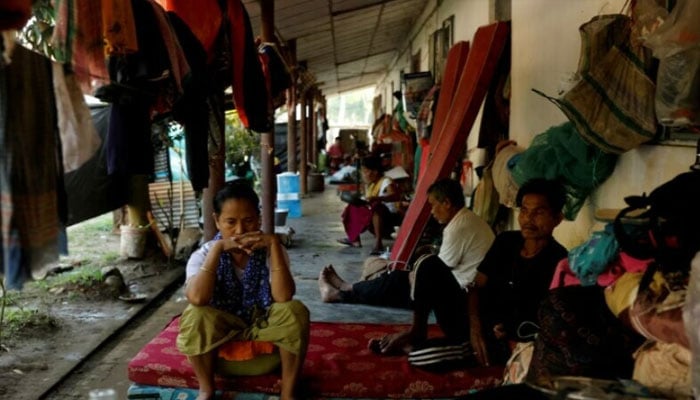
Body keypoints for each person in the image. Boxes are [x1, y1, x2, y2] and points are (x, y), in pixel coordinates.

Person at [321, 178, 495, 353]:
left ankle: (341, 293)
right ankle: (347, 289)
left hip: (464, 302)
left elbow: (437, 268)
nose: (432, 211)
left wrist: (415, 276)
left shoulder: (458, 227)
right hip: (468, 294)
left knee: (397, 281)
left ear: (447, 203)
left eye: (434, 205)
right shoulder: (468, 219)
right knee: (401, 278)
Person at [176, 181, 310, 400]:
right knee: (195, 313)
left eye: (248, 221)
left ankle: (288, 393)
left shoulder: (271, 251)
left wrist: (274, 245)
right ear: (216, 221)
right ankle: (206, 389)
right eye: (230, 222)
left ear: (258, 219)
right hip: (218, 349)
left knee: (294, 310)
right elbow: (198, 298)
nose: (240, 231)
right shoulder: (203, 255)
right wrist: (218, 249)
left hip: (265, 339)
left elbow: (284, 297)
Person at [467, 178, 568, 368]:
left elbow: (545, 319)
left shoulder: (559, 261)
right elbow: (476, 286)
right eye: (524, 210)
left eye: (539, 212)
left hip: (512, 340)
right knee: (428, 265)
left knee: (429, 355)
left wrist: (509, 332)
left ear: (557, 218)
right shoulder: (505, 241)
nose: (528, 219)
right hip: (477, 323)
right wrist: (475, 327)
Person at [336, 155, 403, 255]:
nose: (364, 174)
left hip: (389, 218)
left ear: (375, 172)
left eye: (366, 171)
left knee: (377, 207)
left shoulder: (386, 181)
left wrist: (379, 199)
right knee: (352, 207)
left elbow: (395, 196)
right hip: (374, 217)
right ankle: (354, 239)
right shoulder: (370, 184)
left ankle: (378, 243)